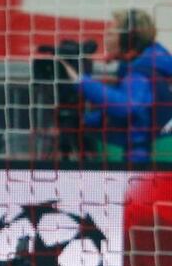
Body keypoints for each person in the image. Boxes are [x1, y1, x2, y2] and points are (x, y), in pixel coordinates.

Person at [59, 9, 172, 163]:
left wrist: (80, 81)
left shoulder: (143, 72)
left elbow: (126, 106)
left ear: (128, 39)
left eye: (111, 33)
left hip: (143, 158)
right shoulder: (148, 63)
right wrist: (84, 121)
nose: (105, 39)